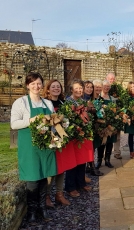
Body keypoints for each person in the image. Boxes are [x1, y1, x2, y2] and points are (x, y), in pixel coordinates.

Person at [11, 72, 56, 224]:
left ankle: (42, 208)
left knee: (44, 177)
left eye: (38, 83)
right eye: (33, 84)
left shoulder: (47, 104)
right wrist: (31, 120)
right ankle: (31, 211)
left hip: (45, 146)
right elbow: (14, 124)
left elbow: (54, 123)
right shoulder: (21, 102)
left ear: (42, 85)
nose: (36, 86)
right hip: (29, 146)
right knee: (32, 179)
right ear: (27, 85)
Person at [43, 80, 72, 207]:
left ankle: (59, 194)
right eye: (53, 86)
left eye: (58, 86)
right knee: (51, 168)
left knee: (62, 166)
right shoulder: (44, 103)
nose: (56, 88)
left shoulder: (63, 102)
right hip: (50, 139)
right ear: (48, 89)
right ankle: (47, 196)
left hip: (62, 138)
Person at [65, 79, 93, 198]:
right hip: (73, 136)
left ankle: (81, 183)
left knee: (82, 160)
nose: (79, 90)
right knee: (72, 162)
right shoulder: (67, 102)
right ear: (71, 89)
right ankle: (71, 187)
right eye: (76, 88)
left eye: (80, 88)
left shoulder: (83, 101)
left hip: (82, 136)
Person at [82, 80, 103, 177]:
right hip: (84, 127)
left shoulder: (93, 99)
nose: (90, 89)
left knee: (91, 147)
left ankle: (89, 166)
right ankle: (92, 168)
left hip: (93, 126)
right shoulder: (82, 99)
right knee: (87, 148)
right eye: (87, 87)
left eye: (91, 87)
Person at [95, 80, 117, 168]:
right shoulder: (98, 97)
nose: (107, 88)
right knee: (101, 143)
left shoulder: (112, 99)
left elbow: (115, 110)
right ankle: (99, 160)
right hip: (101, 124)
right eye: (105, 86)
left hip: (111, 124)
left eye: (108, 86)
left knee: (110, 142)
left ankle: (107, 160)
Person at [105, 72, 122, 159]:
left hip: (116, 115)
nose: (112, 80)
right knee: (105, 135)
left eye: (113, 79)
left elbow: (121, 101)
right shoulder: (103, 89)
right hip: (105, 118)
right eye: (110, 78)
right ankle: (105, 155)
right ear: (106, 79)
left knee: (117, 136)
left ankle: (117, 152)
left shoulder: (118, 89)